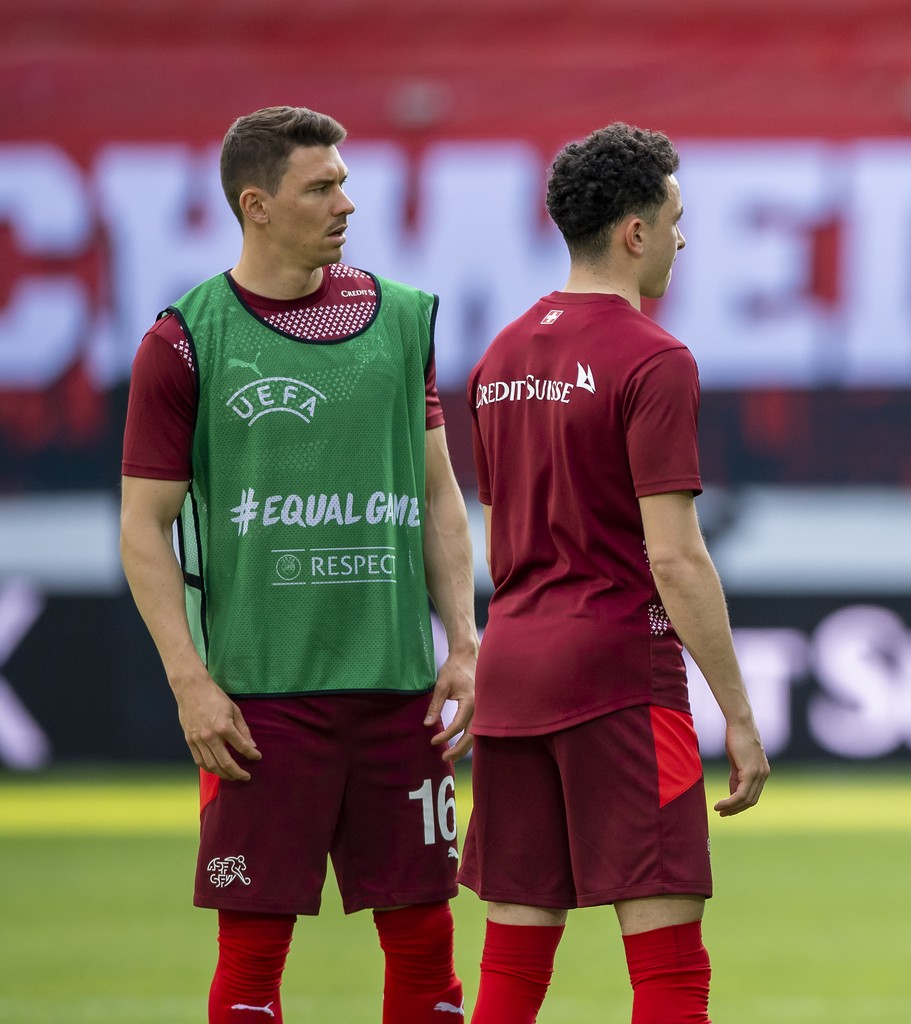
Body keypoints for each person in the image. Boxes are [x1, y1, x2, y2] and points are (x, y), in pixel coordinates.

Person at [119, 106, 479, 1024]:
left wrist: (466, 645)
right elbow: (141, 528)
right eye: (321, 187)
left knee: (430, 965)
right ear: (257, 206)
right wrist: (190, 684)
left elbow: (439, 498)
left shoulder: (401, 320)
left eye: (344, 182)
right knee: (249, 971)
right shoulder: (183, 340)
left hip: (401, 695)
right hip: (258, 701)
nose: (346, 203)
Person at [459, 122, 769, 1024]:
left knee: (511, 976)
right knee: (670, 975)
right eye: (677, 218)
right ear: (635, 232)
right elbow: (674, 553)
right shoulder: (654, 358)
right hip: (617, 674)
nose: (684, 238)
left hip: (512, 668)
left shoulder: (500, 356)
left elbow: (498, 533)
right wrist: (738, 716)